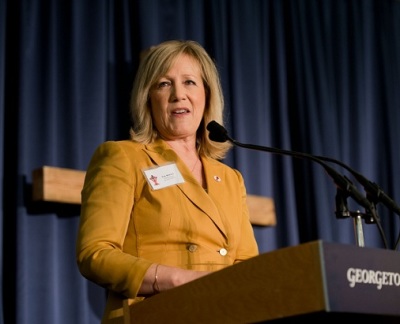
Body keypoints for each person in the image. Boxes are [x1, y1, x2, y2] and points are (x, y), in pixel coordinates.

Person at [76, 39, 259, 323]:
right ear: (148, 97)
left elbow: (247, 267)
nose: (178, 95)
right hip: (153, 313)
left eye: (189, 82)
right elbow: (95, 254)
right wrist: (177, 280)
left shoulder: (231, 179)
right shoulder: (123, 157)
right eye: (164, 84)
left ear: (207, 96)